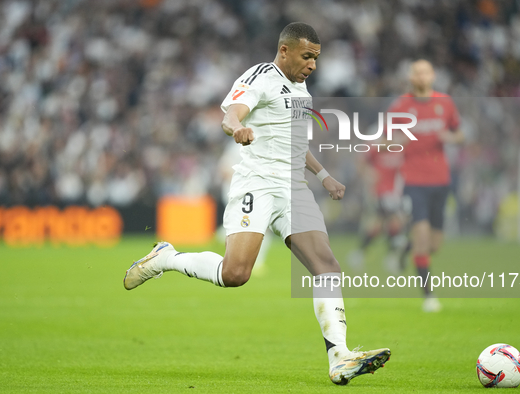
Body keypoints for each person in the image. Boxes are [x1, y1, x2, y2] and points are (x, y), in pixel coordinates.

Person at [123, 22, 390, 385]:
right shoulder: (261, 76)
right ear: (285, 51)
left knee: (327, 265)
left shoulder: (301, 89)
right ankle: (167, 258)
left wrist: (323, 173)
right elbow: (230, 115)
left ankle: (339, 356)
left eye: (316, 58)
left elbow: (293, 142)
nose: (312, 65)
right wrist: (238, 129)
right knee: (236, 274)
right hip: (258, 184)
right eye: (307, 56)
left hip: (295, 188)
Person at [387, 60, 464, 312]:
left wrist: (450, 137)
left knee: (434, 245)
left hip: (440, 180)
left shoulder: (445, 103)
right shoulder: (401, 106)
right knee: (422, 238)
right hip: (414, 181)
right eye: (416, 72)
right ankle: (429, 297)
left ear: (433, 75)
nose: (421, 76)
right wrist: (398, 142)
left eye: (425, 72)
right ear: (410, 76)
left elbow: (460, 134)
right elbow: (383, 141)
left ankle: (405, 249)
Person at [348, 139, 410, 274]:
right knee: (392, 223)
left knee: (379, 226)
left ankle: (360, 253)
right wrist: (368, 174)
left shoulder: (402, 148)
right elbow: (360, 161)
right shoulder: (376, 147)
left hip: (397, 192)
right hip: (380, 191)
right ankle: (391, 257)